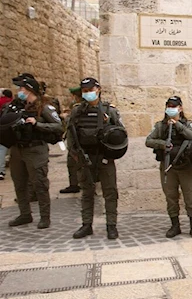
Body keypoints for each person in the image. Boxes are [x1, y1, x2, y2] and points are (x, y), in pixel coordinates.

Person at [68, 78, 126, 240]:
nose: (87, 93)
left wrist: (108, 126)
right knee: (87, 192)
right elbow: (70, 135)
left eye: (90, 90)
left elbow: (121, 134)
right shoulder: (77, 111)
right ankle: (87, 225)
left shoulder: (110, 110)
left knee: (110, 192)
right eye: (84, 91)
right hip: (85, 157)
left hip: (105, 157)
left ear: (98, 89)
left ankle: (111, 225)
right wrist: (75, 155)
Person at [4, 73, 62, 229]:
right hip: (18, 149)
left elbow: (58, 126)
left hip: (36, 150)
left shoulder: (44, 107)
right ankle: (25, 214)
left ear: (30, 90)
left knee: (40, 184)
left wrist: (37, 124)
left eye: (22, 88)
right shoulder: (16, 106)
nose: (19, 91)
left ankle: (45, 217)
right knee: (19, 183)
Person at [145, 96, 192, 239]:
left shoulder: (187, 124)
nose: (171, 108)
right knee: (171, 196)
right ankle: (175, 225)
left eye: (174, 106)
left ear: (180, 108)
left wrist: (177, 125)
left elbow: (191, 135)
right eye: (169, 106)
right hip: (168, 165)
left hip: (186, 166)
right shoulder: (160, 125)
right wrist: (163, 144)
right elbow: (149, 141)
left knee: (190, 196)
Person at [59, 86, 83, 194]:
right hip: (76, 139)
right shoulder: (77, 105)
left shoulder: (78, 106)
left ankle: (75, 184)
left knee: (73, 163)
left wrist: (66, 117)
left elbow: (73, 121)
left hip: (76, 141)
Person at [0, 89, 13, 180]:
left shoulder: (2, 102)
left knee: (2, 149)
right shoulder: (14, 102)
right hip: (11, 129)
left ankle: (1, 170)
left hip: (3, 129)